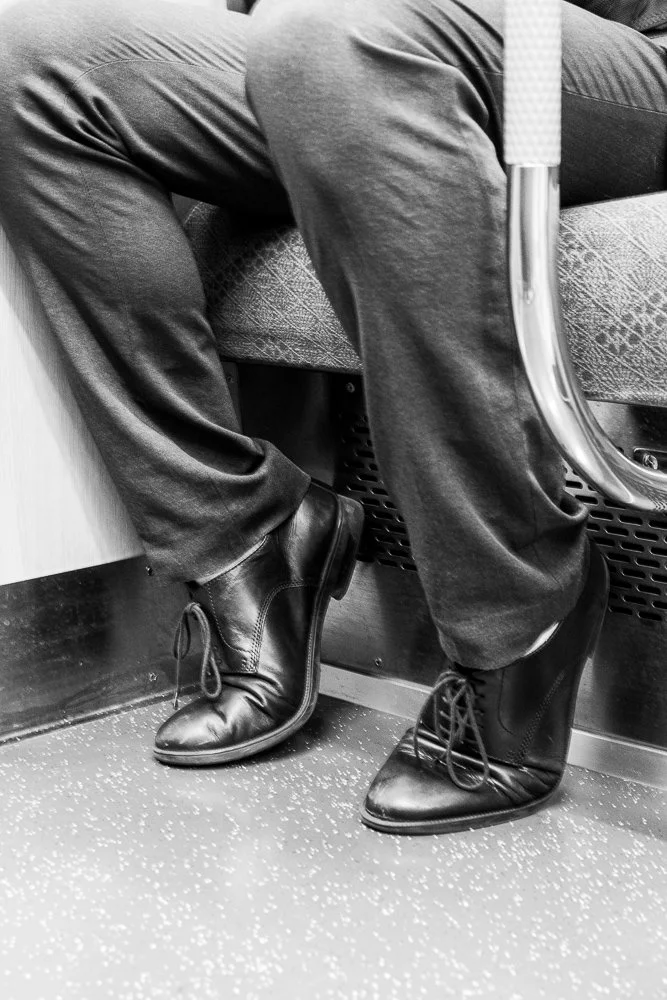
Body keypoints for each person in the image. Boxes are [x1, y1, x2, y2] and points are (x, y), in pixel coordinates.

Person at [0, 0, 664, 835]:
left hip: (606, 56)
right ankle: (242, 536)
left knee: (335, 37)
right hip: (348, 55)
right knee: (27, 60)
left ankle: (518, 604)